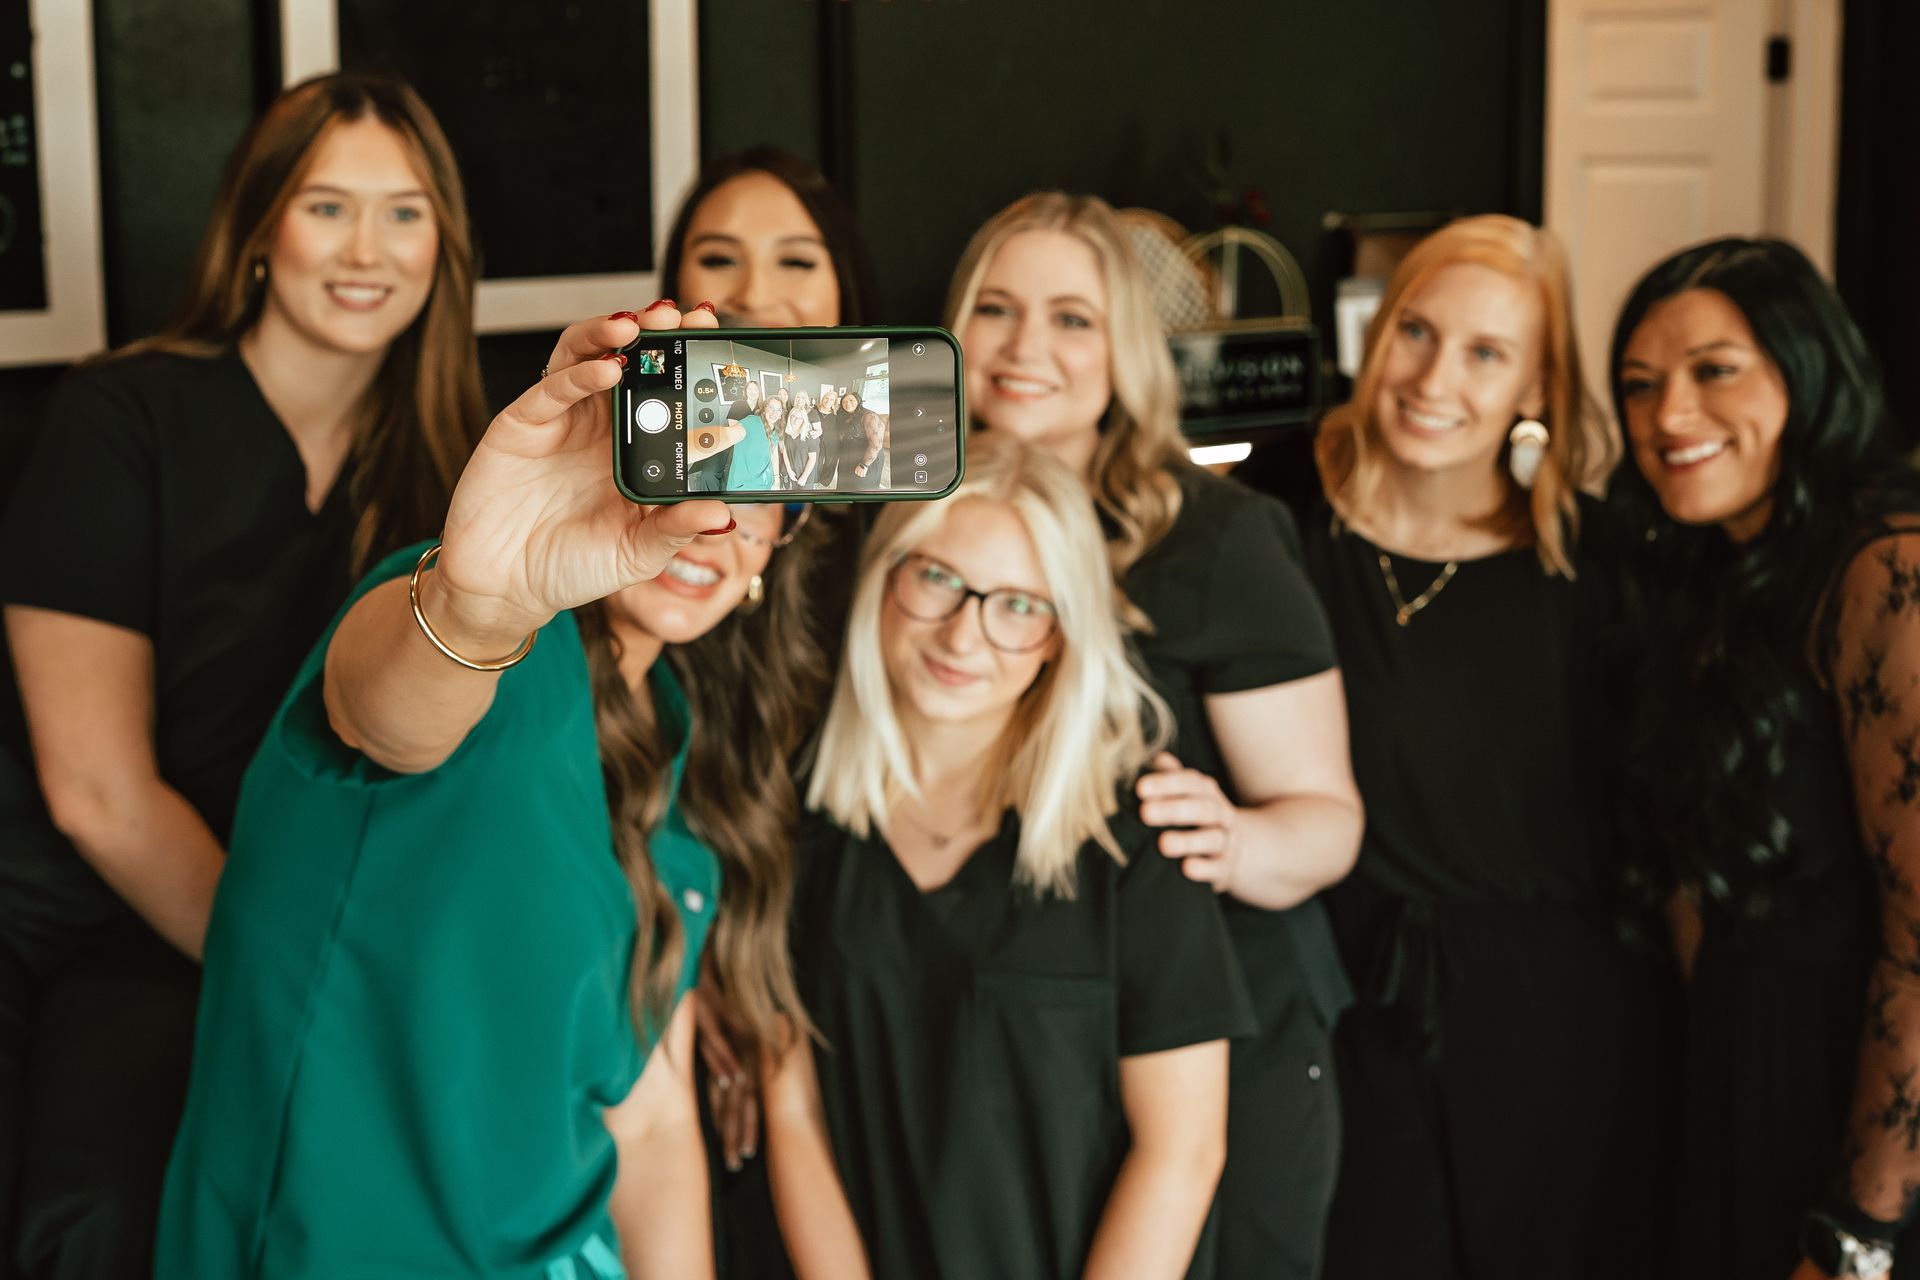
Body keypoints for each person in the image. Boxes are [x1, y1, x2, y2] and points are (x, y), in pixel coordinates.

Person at [154, 302, 828, 1277]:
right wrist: (477, 606)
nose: (713, 508)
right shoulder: (478, 634)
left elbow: (649, 1126)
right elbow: (382, 709)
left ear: (777, 548)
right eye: (692, 445)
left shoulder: (689, 799)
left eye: (761, 484)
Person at [0, 72, 484, 1279]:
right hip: (96, 933)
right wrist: (297, 986)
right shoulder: (120, 418)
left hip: (323, 938)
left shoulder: (457, 474)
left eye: (405, 212)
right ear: (260, 225)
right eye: (327, 206)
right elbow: (97, 795)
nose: (367, 249)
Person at [948, 191, 1364, 1280]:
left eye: (1073, 318)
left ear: (1126, 348)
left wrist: (1235, 838)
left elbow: (1329, 820)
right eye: (995, 307)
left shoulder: (1217, 540)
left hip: (1225, 1032)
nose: (1025, 344)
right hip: (1020, 1033)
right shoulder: (916, 524)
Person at [764, 437, 1253, 1279]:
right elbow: (794, 1110)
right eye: (938, 579)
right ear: (885, 577)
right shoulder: (796, 826)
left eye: (1019, 605)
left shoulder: (1132, 835)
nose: (965, 634)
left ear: (1060, 638)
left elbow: (1183, 1149)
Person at [1297, 213, 1672, 1279]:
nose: (1433, 377)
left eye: (1486, 352)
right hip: (1344, 1002)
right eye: (1416, 330)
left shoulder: (1600, 567)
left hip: (1555, 1023)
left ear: (1538, 389)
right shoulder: (1283, 519)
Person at [1607, 238, 1920, 1280]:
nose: (1668, 417)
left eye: (1714, 369)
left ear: (1807, 370)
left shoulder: (1889, 569)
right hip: (1737, 1085)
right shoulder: (1710, 576)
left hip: (1865, 1115)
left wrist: (1860, 1232)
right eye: (1639, 386)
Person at [653, 146, 878, 1279]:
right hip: (683, 954)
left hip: (846, 960)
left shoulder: (888, 523)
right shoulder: (635, 510)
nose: (752, 292)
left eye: (798, 260)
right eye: (717, 258)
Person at [849, 410, 888, 491]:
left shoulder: (870, 416)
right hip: (857, 456)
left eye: (851, 400)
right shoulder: (853, 415)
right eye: (844, 401)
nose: (848, 403)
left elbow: (875, 445)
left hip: (869, 457)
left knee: (863, 488)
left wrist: (864, 465)